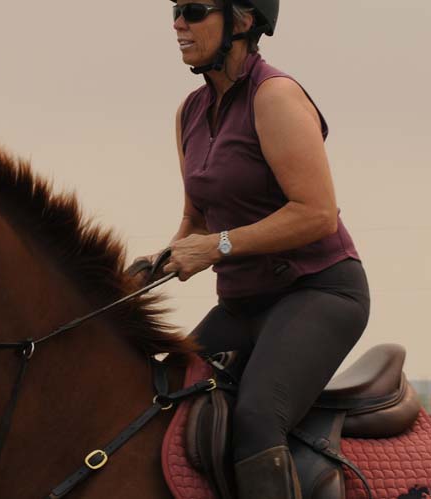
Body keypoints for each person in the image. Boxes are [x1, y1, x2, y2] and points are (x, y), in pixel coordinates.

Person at [137, 1, 370, 497]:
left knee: (258, 418)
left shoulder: (276, 96)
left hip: (319, 293)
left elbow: (316, 213)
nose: (178, 23)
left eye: (194, 10)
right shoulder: (190, 112)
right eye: (175, 10)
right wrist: (151, 268)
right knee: (159, 395)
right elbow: (196, 223)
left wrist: (215, 248)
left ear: (242, 21)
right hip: (242, 305)